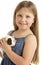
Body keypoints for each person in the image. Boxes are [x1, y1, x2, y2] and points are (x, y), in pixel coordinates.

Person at [0, 0, 39, 65]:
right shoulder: (10, 33)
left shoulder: (30, 38)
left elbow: (25, 63)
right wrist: (2, 48)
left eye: (27, 16)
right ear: (15, 16)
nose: (23, 19)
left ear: (33, 20)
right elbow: (6, 57)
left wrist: (7, 50)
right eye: (20, 15)